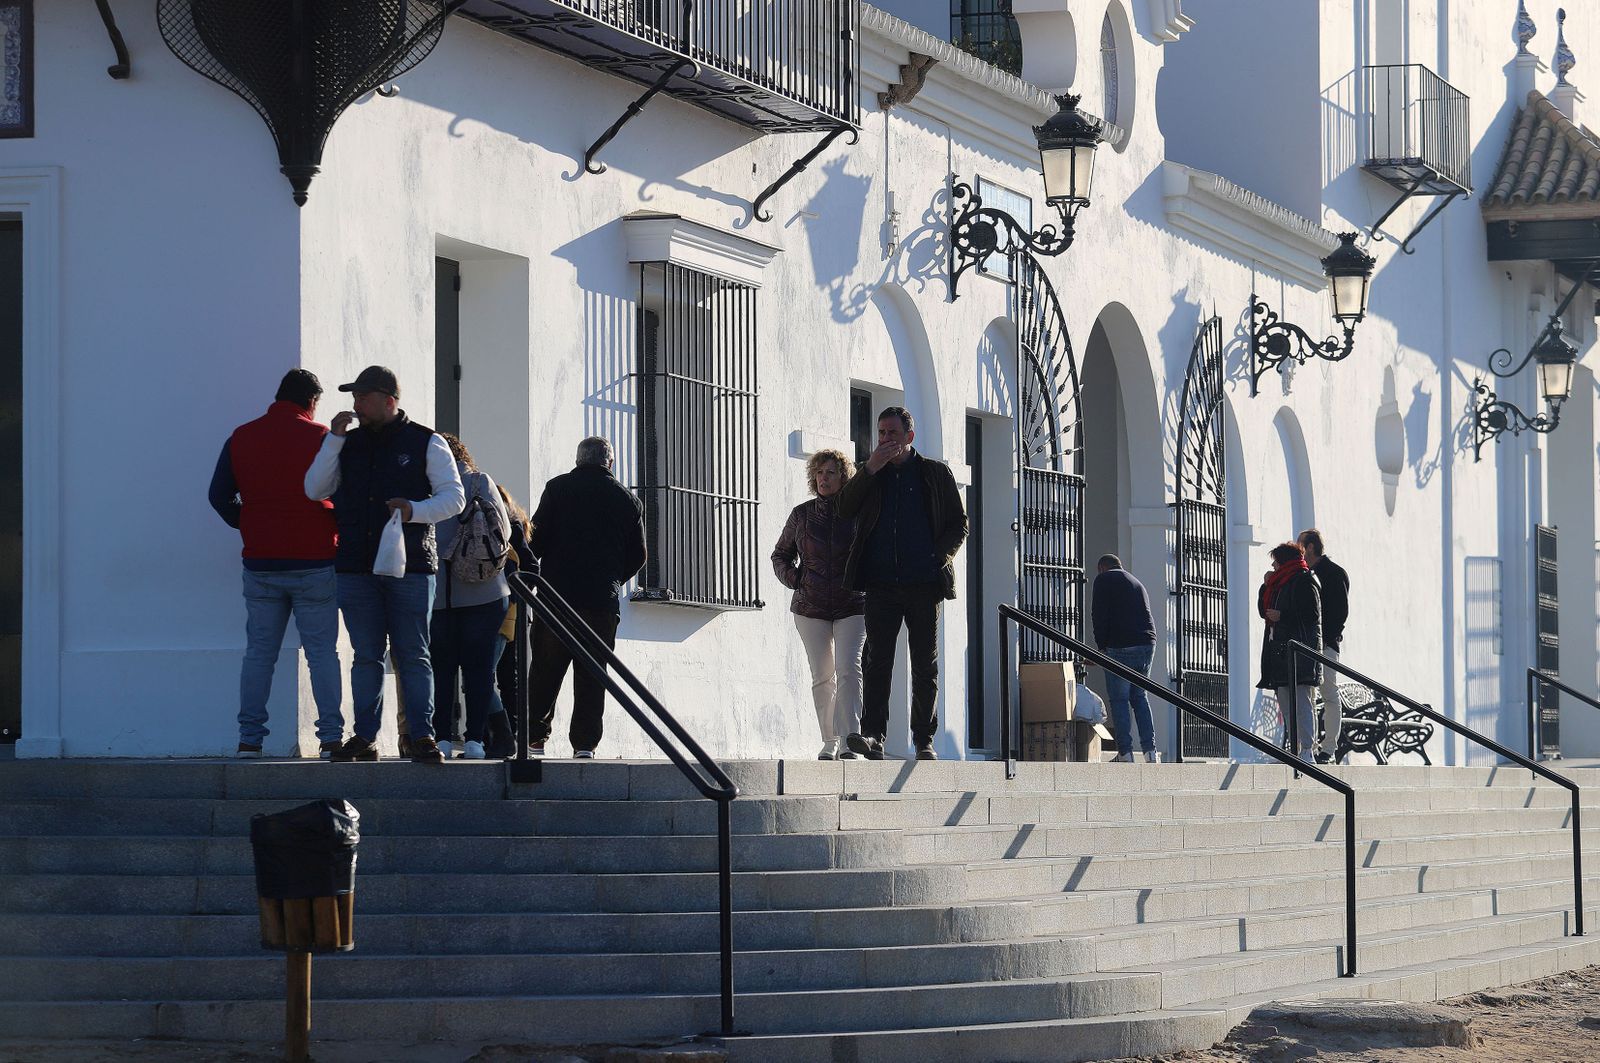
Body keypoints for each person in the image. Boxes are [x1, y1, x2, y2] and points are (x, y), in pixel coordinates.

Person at [304, 365, 464, 764]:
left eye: (363, 396)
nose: (356, 403)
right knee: (366, 654)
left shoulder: (426, 441)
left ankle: (422, 736)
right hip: (356, 565)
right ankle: (365, 736)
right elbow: (315, 489)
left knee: (413, 653)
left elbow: (454, 498)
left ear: (389, 400)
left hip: (411, 566)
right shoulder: (346, 443)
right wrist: (333, 441)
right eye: (354, 396)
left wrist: (414, 510)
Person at [208, 369, 344, 759]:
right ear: (312, 401)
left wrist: (250, 523)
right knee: (322, 654)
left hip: (261, 563)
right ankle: (330, 739)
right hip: (315, 560)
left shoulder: (242, 436)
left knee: (259, 654)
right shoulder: (322, 438)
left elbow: (218, 496)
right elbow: (343, 496)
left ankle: (250, 740)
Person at [838, 407, 968, 762]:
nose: (885, 439)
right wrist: (869, 470)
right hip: (880, 584)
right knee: (877, 661)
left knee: (924, 665)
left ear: (909, 436)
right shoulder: (870, 473)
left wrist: (936, 559)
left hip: (924, 585)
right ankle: (873, 735)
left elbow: (959, 524)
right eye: (881, 432)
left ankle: (923, 739)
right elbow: (844, 508)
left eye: (892, 433)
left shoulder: (934, 473)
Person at [526, 436, 647, 758]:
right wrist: (612, 581)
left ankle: (534, 739)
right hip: (600, 602)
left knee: (545, 670)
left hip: (555, 597)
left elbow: (535, 540)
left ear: (578, 460)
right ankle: (584, 745)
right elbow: (639, 555)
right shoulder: (627, 500)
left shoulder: (557, 489)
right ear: (611, 462)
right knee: (593, 674)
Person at [772, 448, 867, 761]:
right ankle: (830, 741)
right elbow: (780, 555)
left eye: (831, 473)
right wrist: (796, 579)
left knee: (849, 669)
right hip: (810, 607)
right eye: (819, 472)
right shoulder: (801, 514)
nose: (824, 478)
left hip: (852, 604)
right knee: (823, 675)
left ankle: (850, 740)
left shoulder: (858, 513)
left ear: (843, 477)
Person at [430, 434, 512, 760]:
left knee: (441, 670)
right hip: (486, 591)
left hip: (439, 594)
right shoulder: (480, 481)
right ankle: (475, 740)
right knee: (479, 671)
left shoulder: (427, 487)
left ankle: (441, 738)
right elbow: (504, 532)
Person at [1257, 541, 1323, 759]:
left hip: (1300, 653)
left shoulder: (1304, 580)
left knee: (1302, 701)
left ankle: (1308, 750)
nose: (1273, 566)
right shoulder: (1278, 583)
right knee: (1286, 703)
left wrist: (1283, 616)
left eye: (1276, 561)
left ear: (1284, 561)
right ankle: (1294, 748)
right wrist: (1265, 586)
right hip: (1279, 652)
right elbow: (1264, 611)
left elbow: (1312, 615)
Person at [1090, 554, 1159, 763]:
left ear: (1102, 568)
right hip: (1147, 644)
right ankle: (1150, 752)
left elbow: (1098, 615)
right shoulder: (1136, 582)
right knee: (1139, 696)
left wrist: (1101, 648)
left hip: (1120, 646)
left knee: (1119, 699)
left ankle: (1125, 753)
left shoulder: (1103, 580)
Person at [1298, 528, 1349, 764]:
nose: (1299, 550)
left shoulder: (1334, 573)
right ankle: (1310, 747)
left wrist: (1325, 639)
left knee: (1329, 694)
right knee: (1308, 696)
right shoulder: (1304, 574)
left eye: (1301, 545)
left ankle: (1329, 748)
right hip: (1307, 645)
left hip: (1326, 645)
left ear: (1310, 547)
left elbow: (1340, 613)